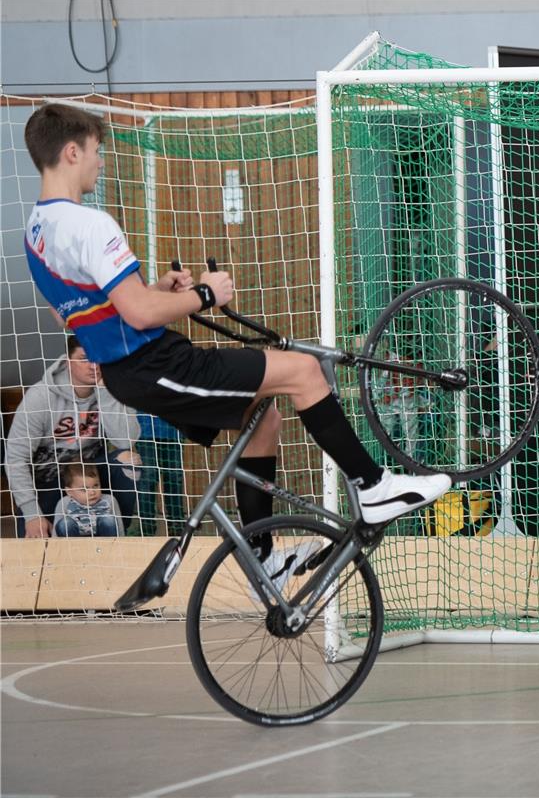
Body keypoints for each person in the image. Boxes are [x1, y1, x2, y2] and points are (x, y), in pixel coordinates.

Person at [21, 103, 450, 539]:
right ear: (72, 152)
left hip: (138, 367)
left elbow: (75, 313)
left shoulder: (36, 230)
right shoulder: (90, 224)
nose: (101, 160)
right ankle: (374, 487)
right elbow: (137, 314)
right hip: (153, 365)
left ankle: (262, 555)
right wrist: (205, 294)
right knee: (304, 372)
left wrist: (154, 289)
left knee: (263, 419)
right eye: (97, 150)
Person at [5, 334, 141, 538]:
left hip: (90, 478)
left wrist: (105, 392)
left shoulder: (114, 388)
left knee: (128, 460)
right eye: (84, 358)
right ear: (68, 362)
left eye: (99, 358)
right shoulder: (40, 397)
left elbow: (125, 441)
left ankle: (110, 530)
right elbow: (15, 459)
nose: (93, 365)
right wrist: (32, 514)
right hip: (48, 482)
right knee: (36, 543)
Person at [133, 413, 186, 536]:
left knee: (174, 475)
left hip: (173, 427)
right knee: (148, 475)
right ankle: (146, 527)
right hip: (145, 427)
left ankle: (177, 524)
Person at [52, 462, 123, 537]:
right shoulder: (64, 503)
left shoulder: (109, 500)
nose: (92, 492)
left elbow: (119, 527)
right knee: (65, 524)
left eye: (95, 485)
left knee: (108, 520)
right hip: (76, 540)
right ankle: (70, 548)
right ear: (69, 492)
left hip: (102, 539)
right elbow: (55, 532)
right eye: (84, 489)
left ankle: (111, 547)